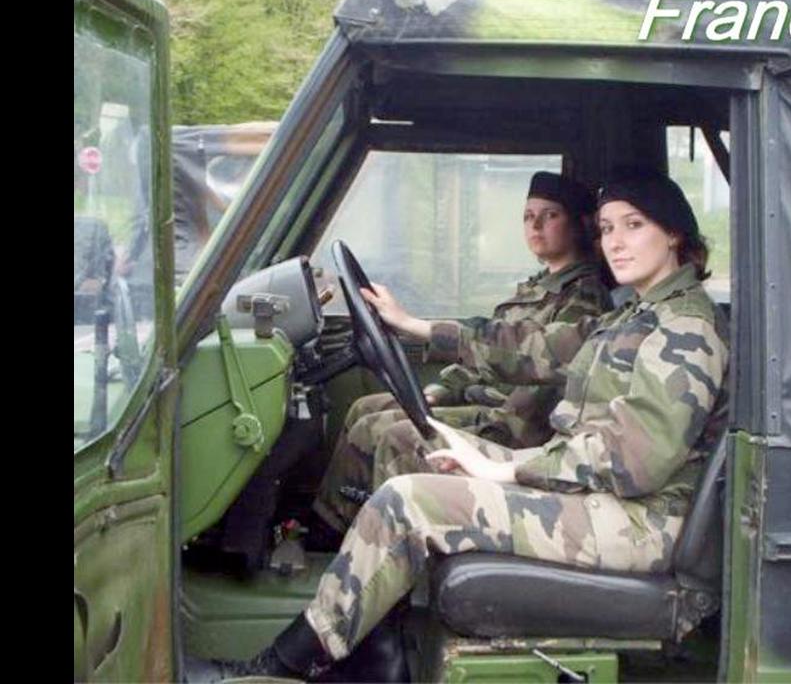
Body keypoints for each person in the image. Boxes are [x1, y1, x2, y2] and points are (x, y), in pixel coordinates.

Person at [222, 171, 730, 682]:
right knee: (431, 449)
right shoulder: (637, 313)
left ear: (673, 233)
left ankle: (284, 667)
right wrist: (487, 449)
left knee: (406, 501)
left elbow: (635, 460)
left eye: (634, 225)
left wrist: (509, 470)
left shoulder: (684, 330)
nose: (615, 242)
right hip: (605, 497)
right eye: (607, 228)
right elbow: (539, 359)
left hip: (639, 523)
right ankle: (376, 640)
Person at [307, 171, 613, 548]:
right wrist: (442, 391)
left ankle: (372, 546)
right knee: (365, 408)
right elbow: (485, 355)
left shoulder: (583, 298)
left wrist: (416, 327)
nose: (535, 225)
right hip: (491, 406)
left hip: (514, 425)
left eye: (550, 215)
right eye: (528, 216)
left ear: (580, 225)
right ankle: (335, 528)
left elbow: (528, 362)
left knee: (389, 432)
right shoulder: (538, 286)